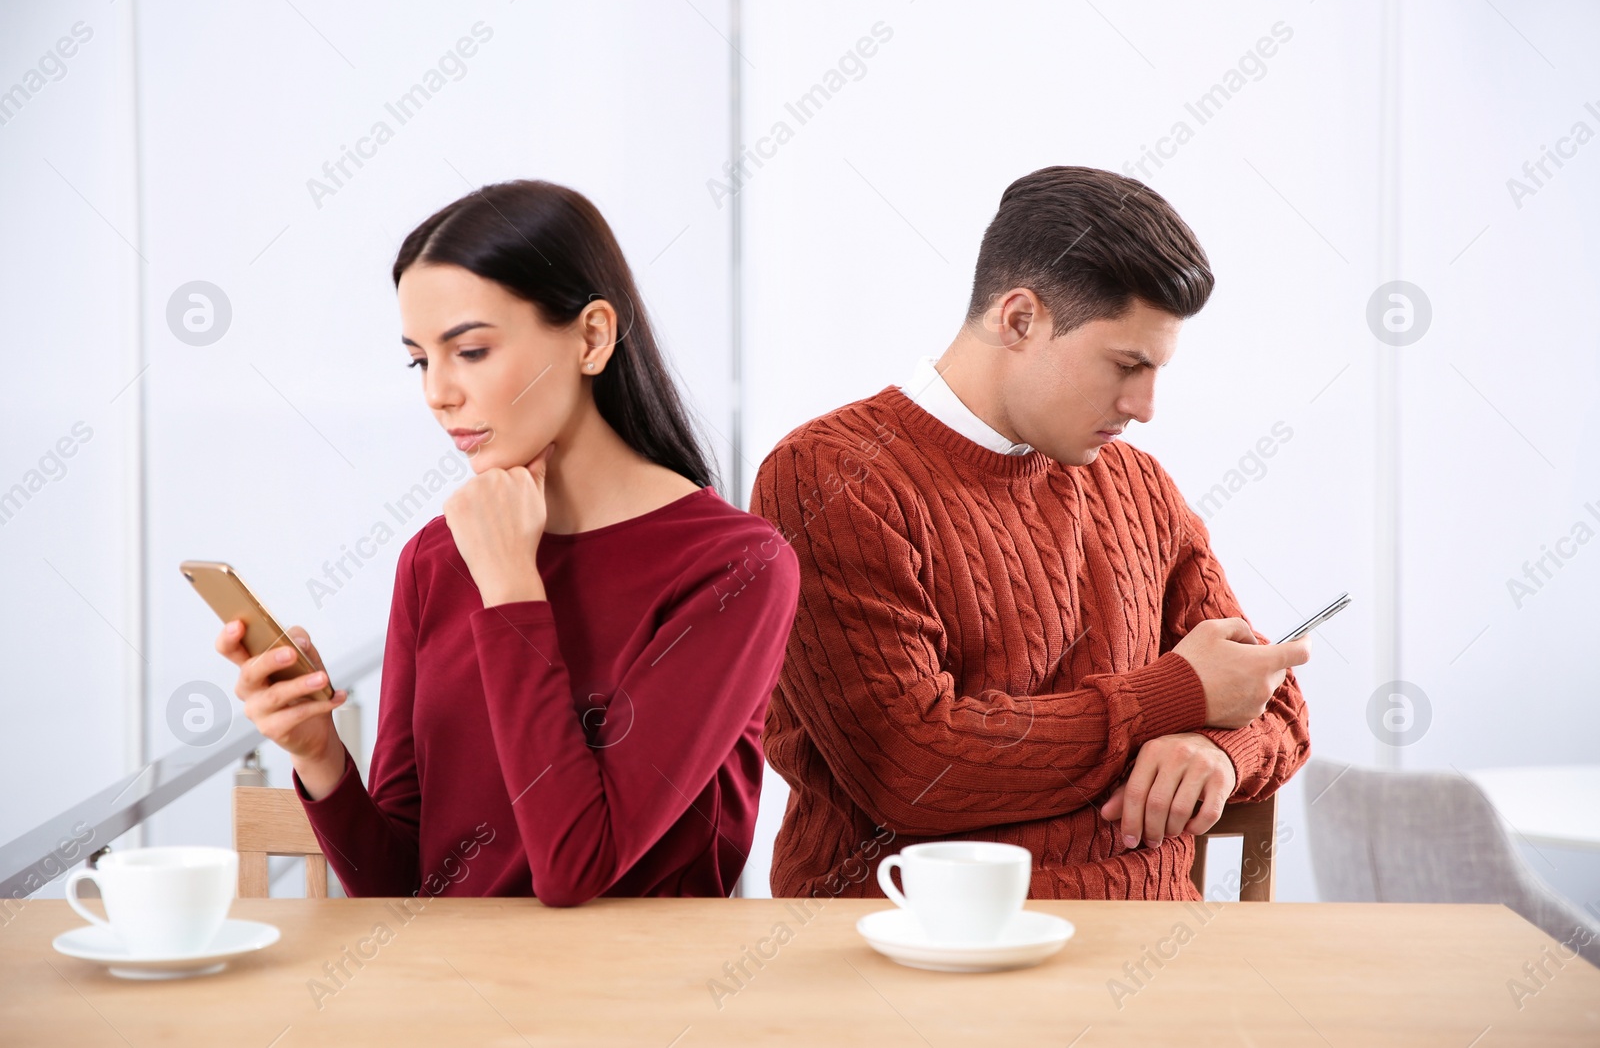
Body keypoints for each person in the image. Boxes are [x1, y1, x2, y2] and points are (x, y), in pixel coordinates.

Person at [216, 180, 798, 905]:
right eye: (420, 360)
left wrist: (512, 590)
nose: (437, 392)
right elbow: (403, 889)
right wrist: (321, 755)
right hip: (450, 1003)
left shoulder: (736, 567)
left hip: (638, 1007)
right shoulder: (436, 556)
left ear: (591, 337)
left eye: (471, 350)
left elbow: (577, 869)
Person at [750, 166, 1312, 901]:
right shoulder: (828, 477)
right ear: (1019, 320)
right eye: (1126, 364)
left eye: (1157, 369)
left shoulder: (1138, 485)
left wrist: (1218, 748)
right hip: (916, 959)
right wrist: (1172, 697)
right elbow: (910, 765)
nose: (1144, 405)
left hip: (1149, 964)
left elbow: (1270, 699)